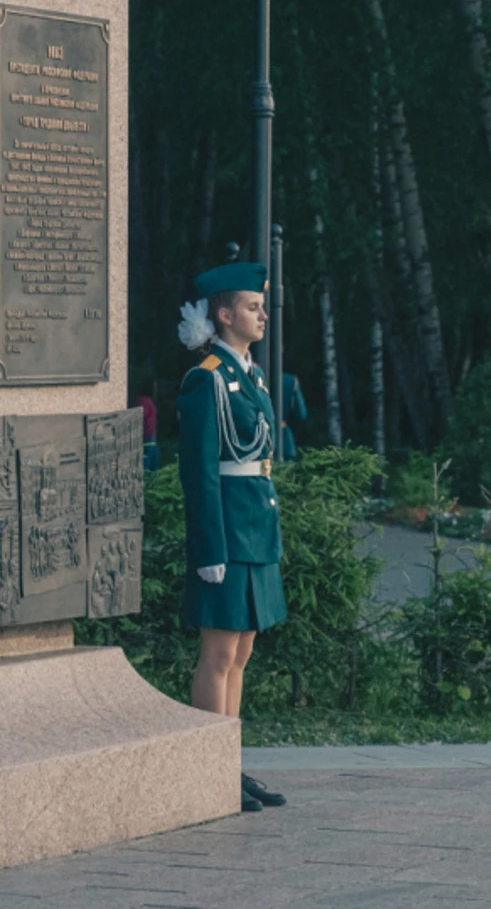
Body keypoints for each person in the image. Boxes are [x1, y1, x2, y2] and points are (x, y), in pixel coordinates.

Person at [175, 262, 288, 814]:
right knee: (218, 654)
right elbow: (198, 473)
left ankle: (229, 763)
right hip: (227, 535)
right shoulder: (207, 378)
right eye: (251, 306)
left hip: (254, 529)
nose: (262, 315)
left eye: (260, 307)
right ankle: (208, 770)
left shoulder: (251, 374)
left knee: (241, 652)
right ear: (224, 315)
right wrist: (209, 550)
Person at [279, 372, 307, 462]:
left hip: (254, 440)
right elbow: (301, 414)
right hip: (284, 442)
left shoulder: (248, 378)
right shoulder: (290, 381)